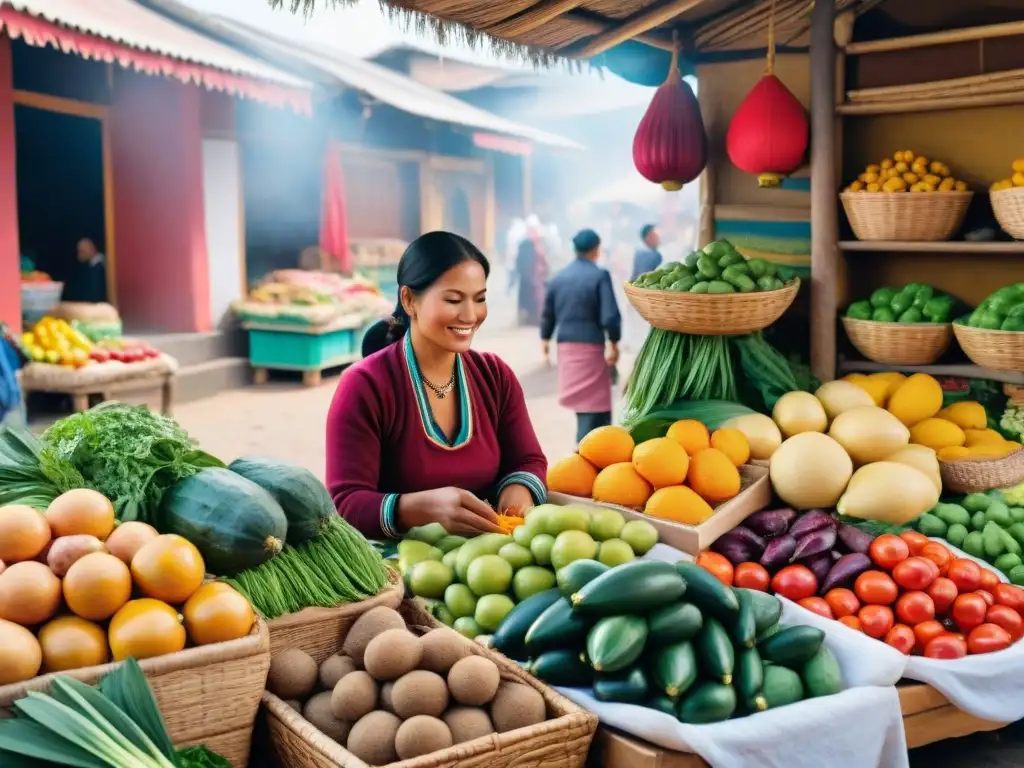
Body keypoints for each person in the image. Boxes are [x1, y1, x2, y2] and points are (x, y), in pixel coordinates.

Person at [329, 231, 548, 540]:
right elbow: (345, 503)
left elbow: (528, 460)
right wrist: (417, 509)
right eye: (453, 300)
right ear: (409, 300)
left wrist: (518, 490)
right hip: (396, 570)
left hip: (489, 558)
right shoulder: (365, 385)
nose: (471, 315)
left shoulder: (495, 376)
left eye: (480, 298)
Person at [540, 229, 622, 445]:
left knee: (583, 407)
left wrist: (545, 340)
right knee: (596, 409)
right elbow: (610, 316)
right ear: (596, 249)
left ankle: (586, 454)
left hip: (566, 348)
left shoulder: (558, 277)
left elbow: (548, 314)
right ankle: (590, 458)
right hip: (591, 348)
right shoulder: (599, 275)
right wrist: (614, 343)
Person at [63, 238, 107, 303]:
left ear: (90, 250)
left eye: (81, 251)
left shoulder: (100, 267)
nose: (79, 255)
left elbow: (95, 294)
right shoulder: (91, 266)